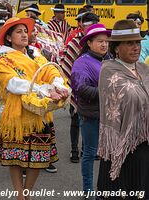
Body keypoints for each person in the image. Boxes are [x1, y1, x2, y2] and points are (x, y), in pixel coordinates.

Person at [0, 17, 70, 200]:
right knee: (15, 158)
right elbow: (11, 83)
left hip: (38, 113)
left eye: (25, 31)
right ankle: (20, 195)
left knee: (38, 158)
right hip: (16, 115)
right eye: (19, 31)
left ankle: (27, 193)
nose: (24, 34)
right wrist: (41, 89)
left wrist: (57, 83)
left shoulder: (35, 54)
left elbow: (51, 71)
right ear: (9, 37)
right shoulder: (4, 58)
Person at [97, 19, 149, 200]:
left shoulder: (144, 69)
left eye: (137, 42)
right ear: (117, 48)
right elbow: (129, 98)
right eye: (129, 43)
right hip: (120, 147)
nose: (136, 47)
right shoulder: (109, 71)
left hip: (144, 145)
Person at [71, 24, 111, 195]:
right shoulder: (82, 63)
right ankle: (88, 188)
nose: (104, 45)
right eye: (100, 41)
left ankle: (107, 187)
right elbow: (81, 89)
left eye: (106, 41)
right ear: (89, 43)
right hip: (91, 115)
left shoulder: (109, 60)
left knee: (109, 153)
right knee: (89, 152)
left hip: (109, 115)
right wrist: (108, 91)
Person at [61, 12, 99, 163]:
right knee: (75, 119)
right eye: (88, 26)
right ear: (81, 26)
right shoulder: (74, 43)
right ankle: (74, 150)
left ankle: (87, 148)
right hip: (75, 87)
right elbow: (66, 66)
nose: (90, 28)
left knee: (90, 120)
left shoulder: (98, 43)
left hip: (91, 89)